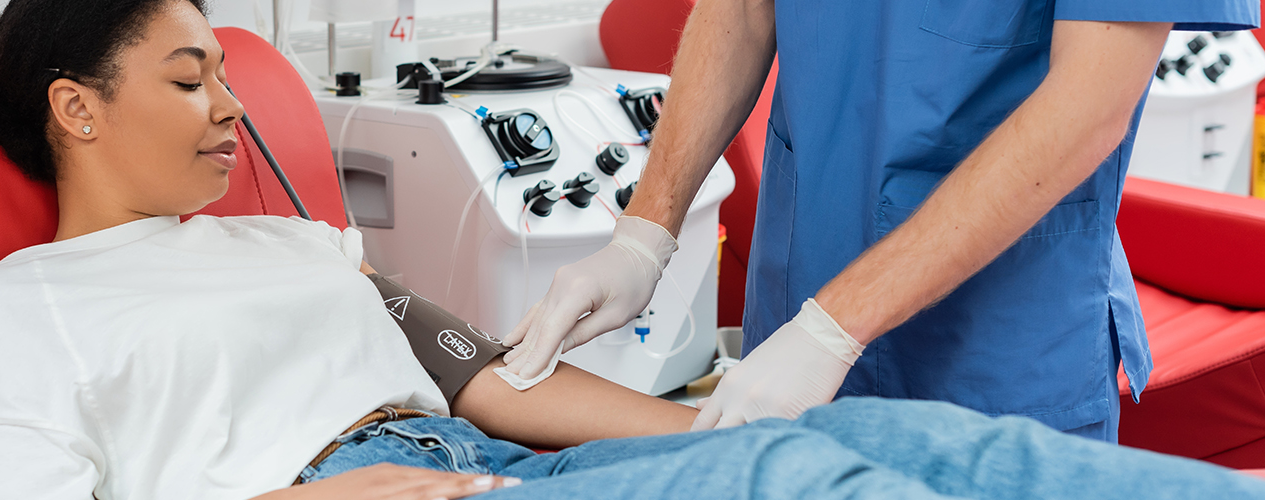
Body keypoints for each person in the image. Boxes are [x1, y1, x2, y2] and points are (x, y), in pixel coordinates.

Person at [0, 0, 1265, 498]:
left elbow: (488, 380)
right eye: (187, 77)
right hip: (399, 493)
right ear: (76, 108)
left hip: (495, 459)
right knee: (817, 484)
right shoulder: (6, 313)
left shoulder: (299, 244)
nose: (231, 103)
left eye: (229, 71)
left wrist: (708, 428)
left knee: (954, 455)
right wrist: (643, 229)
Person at [500, 0, 1260, 440]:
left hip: (995, 357)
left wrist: (834, 327)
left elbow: (1088, 106)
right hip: (792, 325)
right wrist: (645, 233)